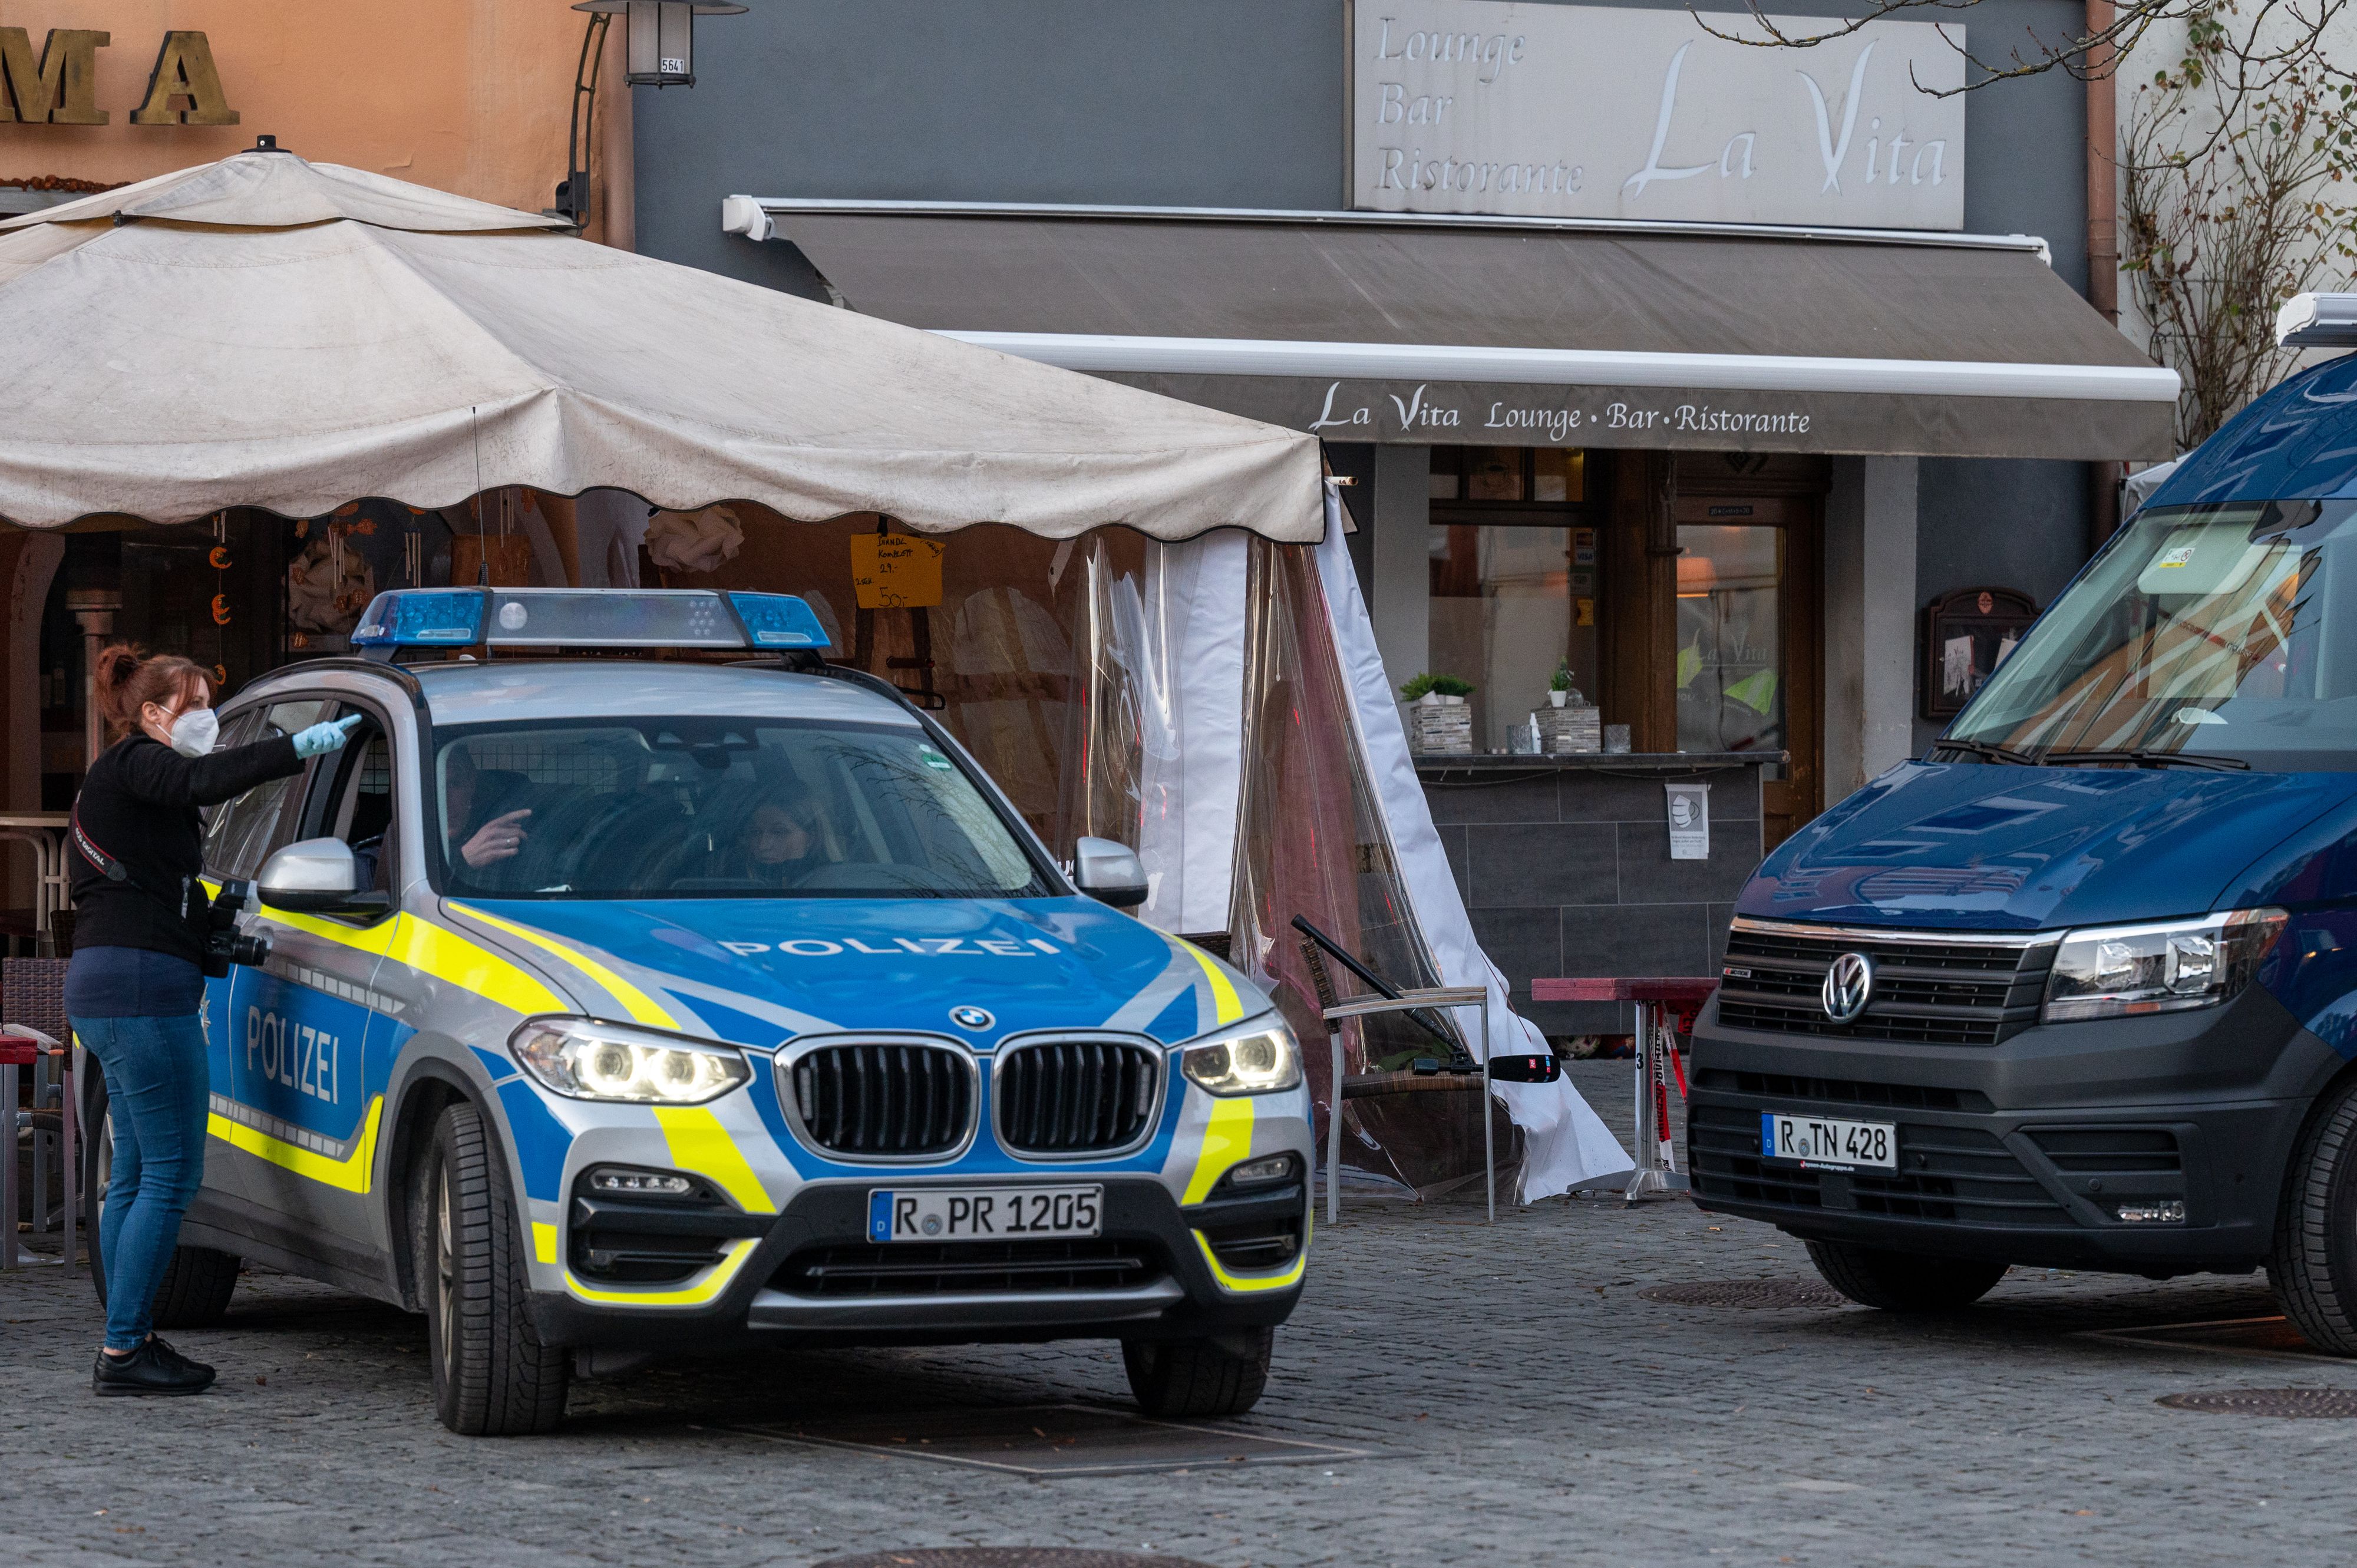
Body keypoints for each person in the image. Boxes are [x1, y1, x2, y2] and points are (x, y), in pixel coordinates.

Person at [68, 648, 358, 1397]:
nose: (207, 720)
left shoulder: (128, 783)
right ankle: (125, 1349)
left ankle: (125, 1337)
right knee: (170, 1174)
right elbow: (202, 777)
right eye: (194, 705)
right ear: (153, 712)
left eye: (210, 702)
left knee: (133, 1173)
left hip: (110, 985)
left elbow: (161, 877)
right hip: (140, 990)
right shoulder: (137, 763)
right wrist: (296, 745)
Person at [731, 789, 829, 888]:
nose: (763, 845)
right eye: (755, 832)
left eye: (779, 832)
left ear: (811, 839)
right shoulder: (730, 886)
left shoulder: (832, 887)